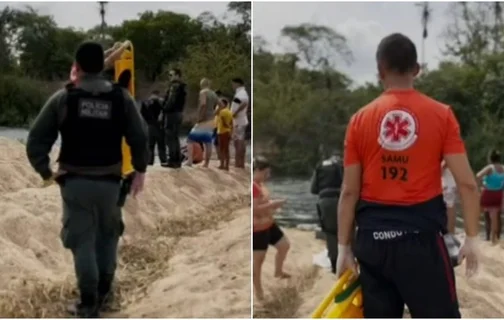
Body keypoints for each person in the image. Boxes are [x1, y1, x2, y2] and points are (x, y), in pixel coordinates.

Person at [336, 33, 480, 318]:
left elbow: (349, 192)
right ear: (417, 69)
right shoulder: (442, 115)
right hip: (421, 244)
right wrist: (473, 238)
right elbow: (467, 183)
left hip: (373, 243)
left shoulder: (359, 119)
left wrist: (343, 247)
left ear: (380, 70)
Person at [26, 41, 148, 318]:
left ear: (77, 67)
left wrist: (46, 172)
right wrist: (139, 168)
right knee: (108, 235)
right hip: (110, 183)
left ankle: (88, 302)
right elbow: (139, 137)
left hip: (74, 183)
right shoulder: (121, 97)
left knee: (81, 240)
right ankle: (106, 290)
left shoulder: (64, 98)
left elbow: (35, 139)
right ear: (102, 67)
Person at [253, 156, 290, 301]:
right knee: (258, 262)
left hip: (269, 224)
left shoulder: (260, 184)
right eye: (265, 173)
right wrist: (273, 204)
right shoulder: (253, 186)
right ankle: (259, 292)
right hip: (258, 230)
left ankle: (278, 272)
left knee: (284, 245)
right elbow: (255, 209)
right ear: (257, 170)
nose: (267, 176)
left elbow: (264, 203)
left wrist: (274, 206)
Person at [310, 151, 343, 274]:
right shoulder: (341, 166)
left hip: (324, 201)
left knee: (330, 233)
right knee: (347, 230)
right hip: (341, 199)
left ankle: (334, 266)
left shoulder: (320, 167)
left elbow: (313, 189)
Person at [184, 78, 218, 167]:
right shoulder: (213, 93)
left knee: (190, 139)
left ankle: (190, 161)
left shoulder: (203, 92)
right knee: (208, 141)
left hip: (204, 119)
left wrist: (200, 117)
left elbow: (203, 104)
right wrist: (214, 113)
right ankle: (206, 163)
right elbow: (221, 105)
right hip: (211, 119)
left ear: (202, 84)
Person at [476, 150, 504, 244]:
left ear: (490, 158)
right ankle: (494, 238)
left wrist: (481, 186)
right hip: (498, 194)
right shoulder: (503, 168)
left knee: (484, 215)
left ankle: (483, 236)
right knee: (496, 216)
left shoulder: (490, 167)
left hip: (488, 193)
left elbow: (478, 175)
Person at [161, 68, 187, 168]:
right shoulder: (182, 87)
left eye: (171, 75)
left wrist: (164, 109)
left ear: (177, 76)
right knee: (175, 137)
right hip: (179, 113)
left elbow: (171, 101)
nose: (170, 77)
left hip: (172, 114)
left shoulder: (174, 86)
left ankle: (172, 160)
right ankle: (177, 160)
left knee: (170, 137)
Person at [140, 90, 167, 165]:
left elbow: (142, 113)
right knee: (161, 144)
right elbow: (165, 112)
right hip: (160, 126)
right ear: (158, 94)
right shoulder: (161, 101)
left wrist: (147, 121)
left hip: (150, 126)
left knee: (150, 145)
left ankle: (150, 161)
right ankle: (163, 160)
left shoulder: (146, 102)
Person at [230, 78, 249, 169]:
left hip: (239, 121)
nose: (232, 86)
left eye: (233, 84)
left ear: (237, 84)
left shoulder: (241, 93)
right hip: (239, 120)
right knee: (239, 141)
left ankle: (239, 163)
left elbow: (244, 103)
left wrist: (235, 113)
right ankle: (240, 163)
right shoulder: (239, 93)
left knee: (238, 142)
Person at [216, 98, 233, 170]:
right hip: (228, 132)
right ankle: (227, 166)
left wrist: (227, 126)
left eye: (221, 103)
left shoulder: (222, 112)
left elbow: (223, 121)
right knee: (227, 150)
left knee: (221, 149)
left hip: (222, 132)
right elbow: (232, 123)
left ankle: (222, 164)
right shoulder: (230, 112)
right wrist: (231, 131)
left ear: (224, 104)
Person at [442, 160, 457, 235]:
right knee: (450, 216)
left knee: (450, 217)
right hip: (448, 188)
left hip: (448, 189)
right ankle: (450, 237)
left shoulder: (446, 160)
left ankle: (450, 237)